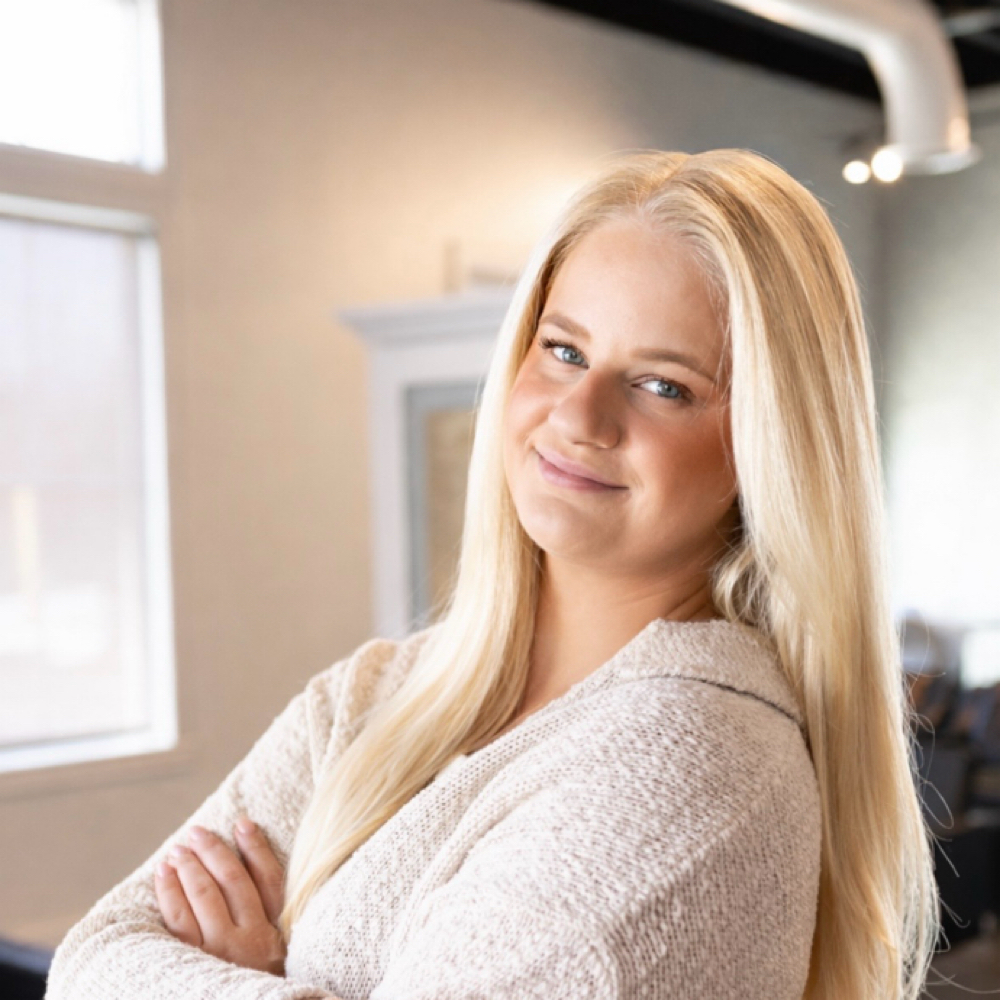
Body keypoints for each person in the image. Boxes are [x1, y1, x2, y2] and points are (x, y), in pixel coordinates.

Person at [44, 148, 939, 1000]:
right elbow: (89, 963)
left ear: (767, 445)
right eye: (564, 350)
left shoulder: (698, 763)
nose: (579, 416)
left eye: (664, 385)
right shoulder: (373, 695)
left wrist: (253, 977)